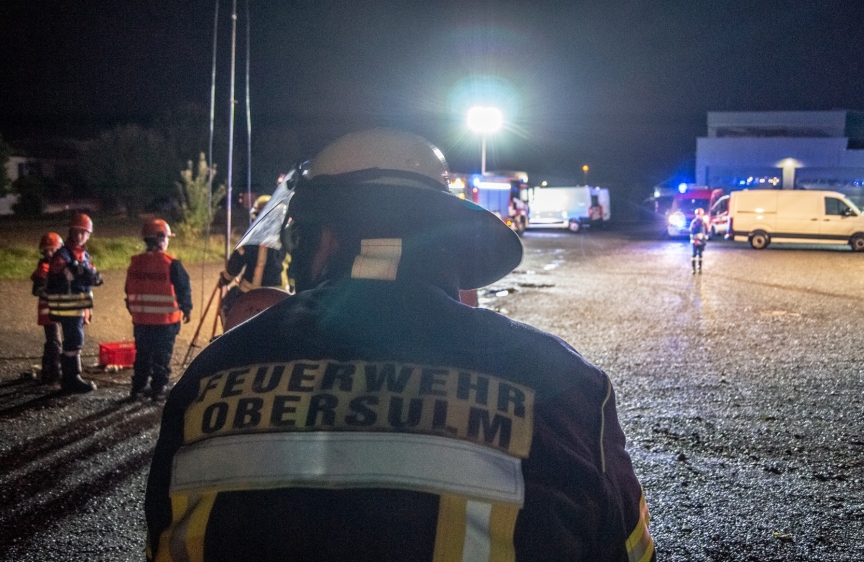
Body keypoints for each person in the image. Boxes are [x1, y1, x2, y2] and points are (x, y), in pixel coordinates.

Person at [145, 129, 654, 562]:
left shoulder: (209, 374)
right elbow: (627, 550)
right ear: (455, 252)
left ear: (322, 241)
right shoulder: (562, 381)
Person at [125, 219, 193, 401]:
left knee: (143, 355)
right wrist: (187, 309)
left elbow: (128, 289)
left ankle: (138, 387)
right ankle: (159, 388)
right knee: (162, 357)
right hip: (165, 321)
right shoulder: (171, 264)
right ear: (161, 239)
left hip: (141, 321)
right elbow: (183, 288)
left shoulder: (135, 263)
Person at [46, 213, 103, 393]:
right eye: (76, 232)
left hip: (77, 307)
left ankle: (71, 377)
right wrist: (72, 276)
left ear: (88, 235)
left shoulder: (83, 255)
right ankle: (71, 379)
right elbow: (54, 281)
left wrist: (92, 277)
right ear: (71, 232)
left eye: (83, 232)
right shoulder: (62, 255)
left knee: (74, 340)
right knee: (74, 340)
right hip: (67, 308)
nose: (79, 236)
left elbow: (92, 277)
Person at [218, 194, 289, 323]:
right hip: (282, 294)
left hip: (252, 292)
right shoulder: (287, 240)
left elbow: (236, 263)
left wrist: (224, 279)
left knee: (227, 307)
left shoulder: (251, 239)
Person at [30, 232, 64, 383]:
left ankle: (48, 369)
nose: (50, 253)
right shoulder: (43, 268)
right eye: (47, 250)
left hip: (57, 309)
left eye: (53, 250)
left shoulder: (59, 265)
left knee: (53, 341)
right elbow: (36, 290)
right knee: (54, 341)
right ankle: (55, 372)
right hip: (48, 311)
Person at [690, 207, 709, 273]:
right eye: (698, 214)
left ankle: (699, 268)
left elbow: (707, 231)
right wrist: (695, 237)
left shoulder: (704, 223)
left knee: (700, 255)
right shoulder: (694, 222)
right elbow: (691, 232)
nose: (699, 216)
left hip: (701, 241)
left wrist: (705, 237)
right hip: (695, 241)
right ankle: (693, 269)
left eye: (700, 214)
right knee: (694, 255)